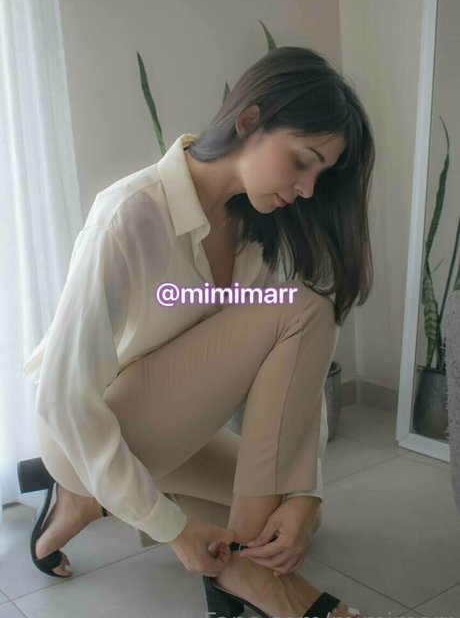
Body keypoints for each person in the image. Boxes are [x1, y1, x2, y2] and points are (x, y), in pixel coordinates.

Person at [21, 45, 374, 618]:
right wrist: (172, 528)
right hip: (80, 427)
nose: (308, 189)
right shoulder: (129, 214)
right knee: (306, 308)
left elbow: (296, 380)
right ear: (250, 120)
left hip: (165, 432)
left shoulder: (255, 234)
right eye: (302, 161)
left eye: (320, 175)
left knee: (295, 516)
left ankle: (88, 502)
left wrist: (305, 494)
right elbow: (64, 398)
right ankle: (251, 579)